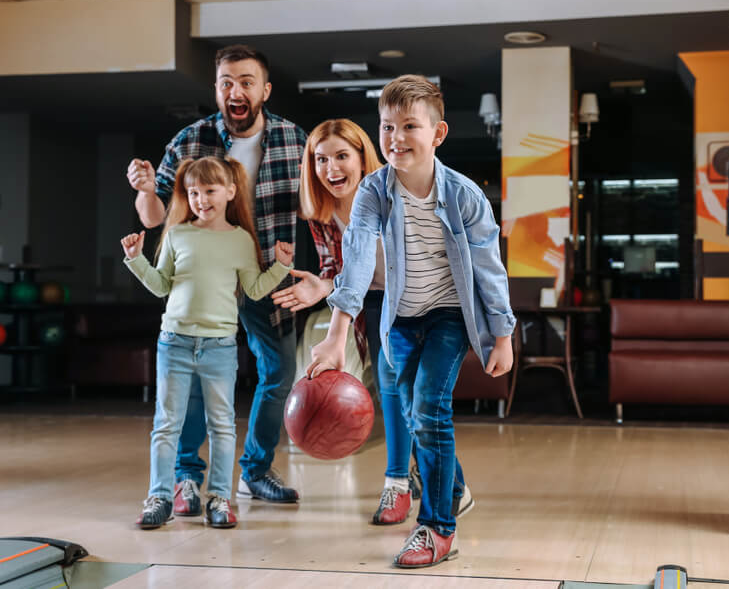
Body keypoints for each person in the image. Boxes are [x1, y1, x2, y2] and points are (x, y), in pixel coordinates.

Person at [307, 76, 515, 569]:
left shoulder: (465, 196)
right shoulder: (373, 193)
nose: (396, 137)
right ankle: (455, 488)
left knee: (428, 408)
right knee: (416, 416)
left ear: (437, 133)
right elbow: (355, 260)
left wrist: (503, 335)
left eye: (409, 126)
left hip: (448, 316)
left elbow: (489, 268)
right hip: (398, 318)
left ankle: (439, 528)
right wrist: (336, 338)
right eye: (386, 127)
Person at [126, 45, 305, 512]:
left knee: (280, 372)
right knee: (190, 378)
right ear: (217, 90)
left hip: (265, 275)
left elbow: (325, 205)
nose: (235, 91)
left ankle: (256, 470)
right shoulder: (190, 140)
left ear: (264, 90)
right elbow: (154, 217)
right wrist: (146, 190)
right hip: (202, 278)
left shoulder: (293, 140)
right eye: (226, 82)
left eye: (246, 81)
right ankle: (186, 477)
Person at [121, 157, 295, 530]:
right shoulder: (178, 234)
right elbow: (161, 285)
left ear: (230, 192)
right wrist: (136, 260)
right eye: (194, 192)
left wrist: (279, 267)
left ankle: (220, 497)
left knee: (222, 426)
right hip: (175, 344)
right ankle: (160, 497)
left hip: (219, 347)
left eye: (210, 191)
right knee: (166, 425)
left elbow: (253, 289)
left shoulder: (241, 240)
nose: (201, 199)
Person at [271, 118, 421, 525]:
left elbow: (391, 264)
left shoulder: (392, 195)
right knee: (393, 390)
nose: (331, 168)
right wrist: (321, 285)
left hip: (417, 301)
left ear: (362, 158)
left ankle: (443, 481)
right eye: (320, 159)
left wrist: (323, 287)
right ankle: (398, 484)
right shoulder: (321, 213)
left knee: (416, 398)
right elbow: (338, 268)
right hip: (372, 302)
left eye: (341, 156)